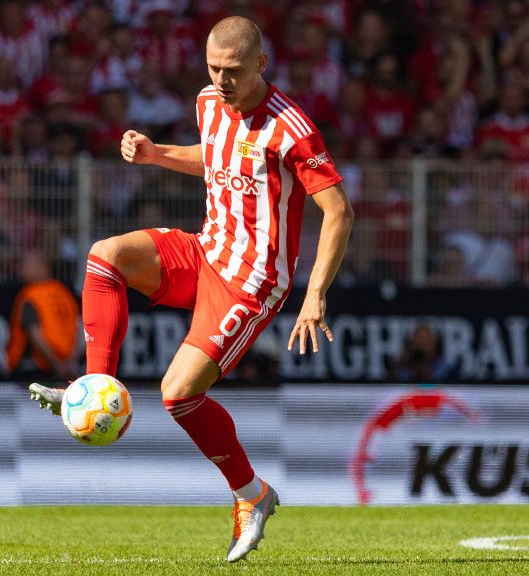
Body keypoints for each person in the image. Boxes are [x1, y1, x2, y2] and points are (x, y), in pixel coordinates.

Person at [29, 16, 353, 563]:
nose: (222, 80)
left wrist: (315, 292)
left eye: (232, 71)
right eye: (213, 68)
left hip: (251, 280)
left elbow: (338, 210)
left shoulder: (291, 130)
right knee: (105, 258)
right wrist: (157, 154)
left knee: (178, 393)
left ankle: (252, 495)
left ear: (260, 64)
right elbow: (217, 155)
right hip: (206, 250)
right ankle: (96, 385)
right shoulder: (208, 101)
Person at [6, 251, 79, 381]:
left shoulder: (32, 294)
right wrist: (70, 362)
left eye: (25, 264)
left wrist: (57, 363)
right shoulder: (64, 293)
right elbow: (80, 329)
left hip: (36, 368)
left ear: (42, 266)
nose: (21, 269)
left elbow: (35, 333)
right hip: (67, 367)